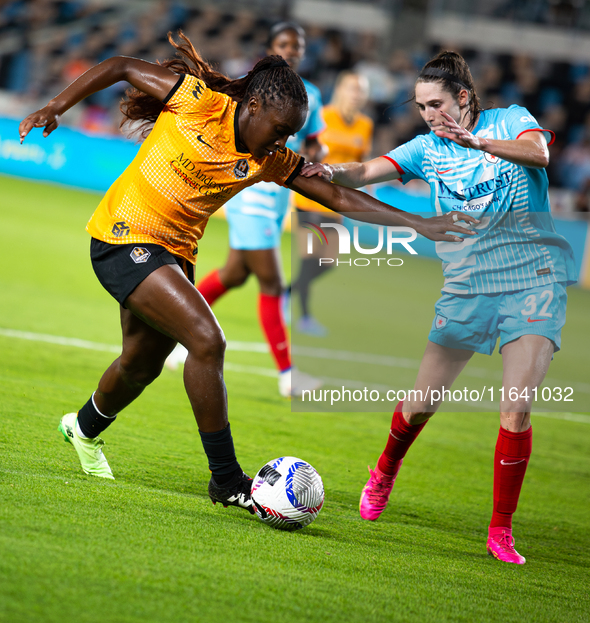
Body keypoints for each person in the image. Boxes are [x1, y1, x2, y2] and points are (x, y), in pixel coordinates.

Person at [19, 35, 472, 515]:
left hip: (175, 252)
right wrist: (55, 106)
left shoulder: (268, 157)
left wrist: (418, 223)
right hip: (123, 234)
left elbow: (337, 197)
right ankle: (228, 481)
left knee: (141, 363)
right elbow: (122, 65)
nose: (284, 142)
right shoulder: (197, 102)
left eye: (291, 135)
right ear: (252, 106)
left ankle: (82, 428)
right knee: (207, 340)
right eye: (279, 129)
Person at [300, 50, 576, 563]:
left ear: (464, 98)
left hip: (533, 282)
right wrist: (328, 169)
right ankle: (383, 470)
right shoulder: (426, 149)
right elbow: (364, 170)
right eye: (421, 106)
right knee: (421, 404)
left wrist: (479, 142)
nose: (428, 114)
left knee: (515, 408)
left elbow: (539, 155)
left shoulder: (510, 120)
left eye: (436, 104)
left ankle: (501, 529)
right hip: (467, 286)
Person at [165, 21, 326, 398]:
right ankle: (288, 374)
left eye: (298, 46)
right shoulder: (250, 88)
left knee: (234, 275)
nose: (292, 51)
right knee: (272, 282)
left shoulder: (312, 95)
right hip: (249, 195)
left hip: (278, 200)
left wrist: (319, 156)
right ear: (272, 47)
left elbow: (316, 140)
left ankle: (173, 337)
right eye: (284, 43)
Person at [290, 69, 373, 337]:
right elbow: (305, 146)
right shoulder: (323, 116)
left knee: (329, 261)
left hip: (337, 202)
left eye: (361, 90)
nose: (356, 94)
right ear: (341, 90)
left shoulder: (365, 125)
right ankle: (303, 316)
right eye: (352, 88)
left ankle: (286, 293)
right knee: (309, 259)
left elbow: (363, 165)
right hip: (310, 198)